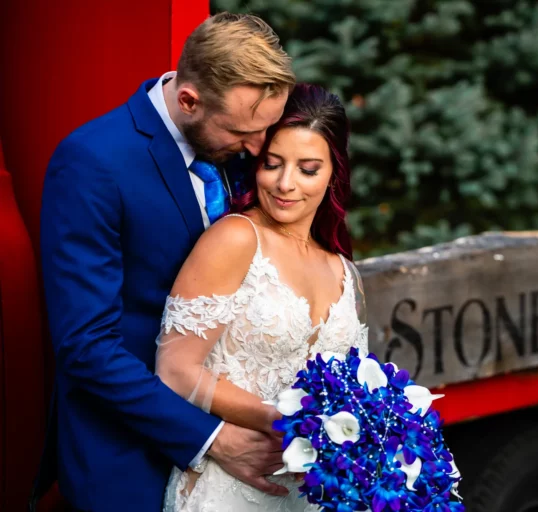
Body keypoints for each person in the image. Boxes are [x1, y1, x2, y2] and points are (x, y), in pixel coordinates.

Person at [36, 13, 295, 511]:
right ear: (189, 100)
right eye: (243, 132)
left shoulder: (241, 143)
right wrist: (212, 438)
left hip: (247, 449)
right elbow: (86, 346)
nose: (259, 150)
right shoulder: (93, 162)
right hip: (131, 458)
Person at [155, 83, 369, 511]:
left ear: (333, 174)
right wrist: (287, 421)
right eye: (273, 164)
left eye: (308, 169)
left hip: (311, 497)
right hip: (228, 489)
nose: (286, 184)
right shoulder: (235, 239)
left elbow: (355, 390)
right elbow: (175, 370)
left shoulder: (343, 270)